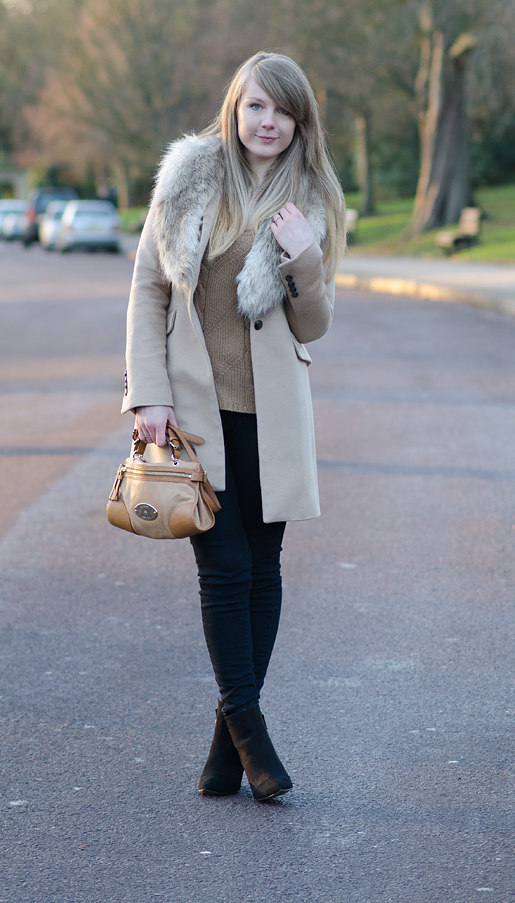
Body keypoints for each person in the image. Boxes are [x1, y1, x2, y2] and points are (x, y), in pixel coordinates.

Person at [122, 50, 346, 801]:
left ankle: (225, 754)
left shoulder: (312, 197)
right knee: (224, 572)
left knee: (262, 573)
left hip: (272, 417)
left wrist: (304, 260)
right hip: (194, 417)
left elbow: (311, 327)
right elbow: (148, 293)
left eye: (283, 110)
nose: (268, 121)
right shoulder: (188, 180)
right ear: (235, 108)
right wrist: (145, 395)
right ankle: (251, 735)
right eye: (257, 106)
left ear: (299, 121)